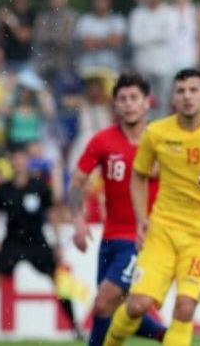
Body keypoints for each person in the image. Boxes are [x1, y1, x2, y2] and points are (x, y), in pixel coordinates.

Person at [104, 69, 200, 346]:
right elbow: (138, 175)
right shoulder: (157, 133)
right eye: (181, 91)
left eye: (193, 90)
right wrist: (142, 219)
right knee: (137, 304)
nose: (187, 96)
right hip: (161, 232)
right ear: (173, 97)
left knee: (185, 307)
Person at [68, 73, 167, 346]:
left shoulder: (161, 139)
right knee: (110, 311)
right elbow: (76, 182)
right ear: (115, 104)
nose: (128, 104)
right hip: (110, 237)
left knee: (103, 303)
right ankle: (164, 335)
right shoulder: (102, 141)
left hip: (142, 238)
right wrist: (78, 220)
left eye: (134, 98)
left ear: (147, 103)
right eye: (122, 99)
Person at [0, 148, 81, 341]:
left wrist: (58, 243)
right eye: (15, 160)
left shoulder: (39, 186)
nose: (18, 163)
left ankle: (76, 329)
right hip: (12, 243)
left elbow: (52, 214)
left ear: (27, 162)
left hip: (37, 242)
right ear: (11, 163)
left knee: (60, 283)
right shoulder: (3, 189)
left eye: (21, 159)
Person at [129, 0, 177, 116]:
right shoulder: (137, 14)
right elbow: (135, 38)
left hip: (164, 65)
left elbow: (170, 35)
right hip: (143, 65)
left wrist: (147, 36)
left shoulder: (169, 12)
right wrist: (158, 36)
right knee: (143, 99)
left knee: (164, 101)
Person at [34, 0, 79, 80]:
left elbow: (68, 39)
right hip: (44, 63)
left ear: (64, 0)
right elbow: (39, 38)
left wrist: (51, 36)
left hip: (65, 63)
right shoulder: (42, 17)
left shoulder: (72, 17)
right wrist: (57, 37)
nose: (55, 1)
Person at [76, 0, 127, 74]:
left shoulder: (117, 20)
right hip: (89, 61)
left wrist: (95, 41)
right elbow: (86, 44)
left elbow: (116, 42)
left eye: (103, 1)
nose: (101, 4)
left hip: (111, 61)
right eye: (98, 1)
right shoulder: (85, 20)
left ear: (109, 3)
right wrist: (107, 41)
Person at [0, 0, 36, 73]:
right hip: (6, 60)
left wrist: (10, 21)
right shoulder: (7, 11)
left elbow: (23, 37)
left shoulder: (32, 15)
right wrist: (0, 22)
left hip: (24, 61)